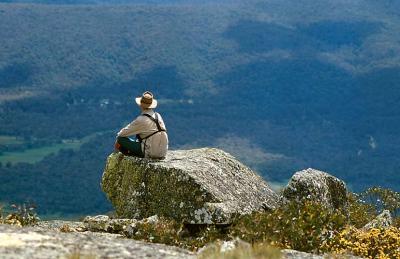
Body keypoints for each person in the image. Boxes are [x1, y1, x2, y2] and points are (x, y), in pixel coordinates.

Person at [115, 91, 168, 159]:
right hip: (162, 152)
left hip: (150, 152)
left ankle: (130, 157)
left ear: (140, 104)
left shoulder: (141, 119)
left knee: (120, 139)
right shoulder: (158, 116)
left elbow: (121, 134)